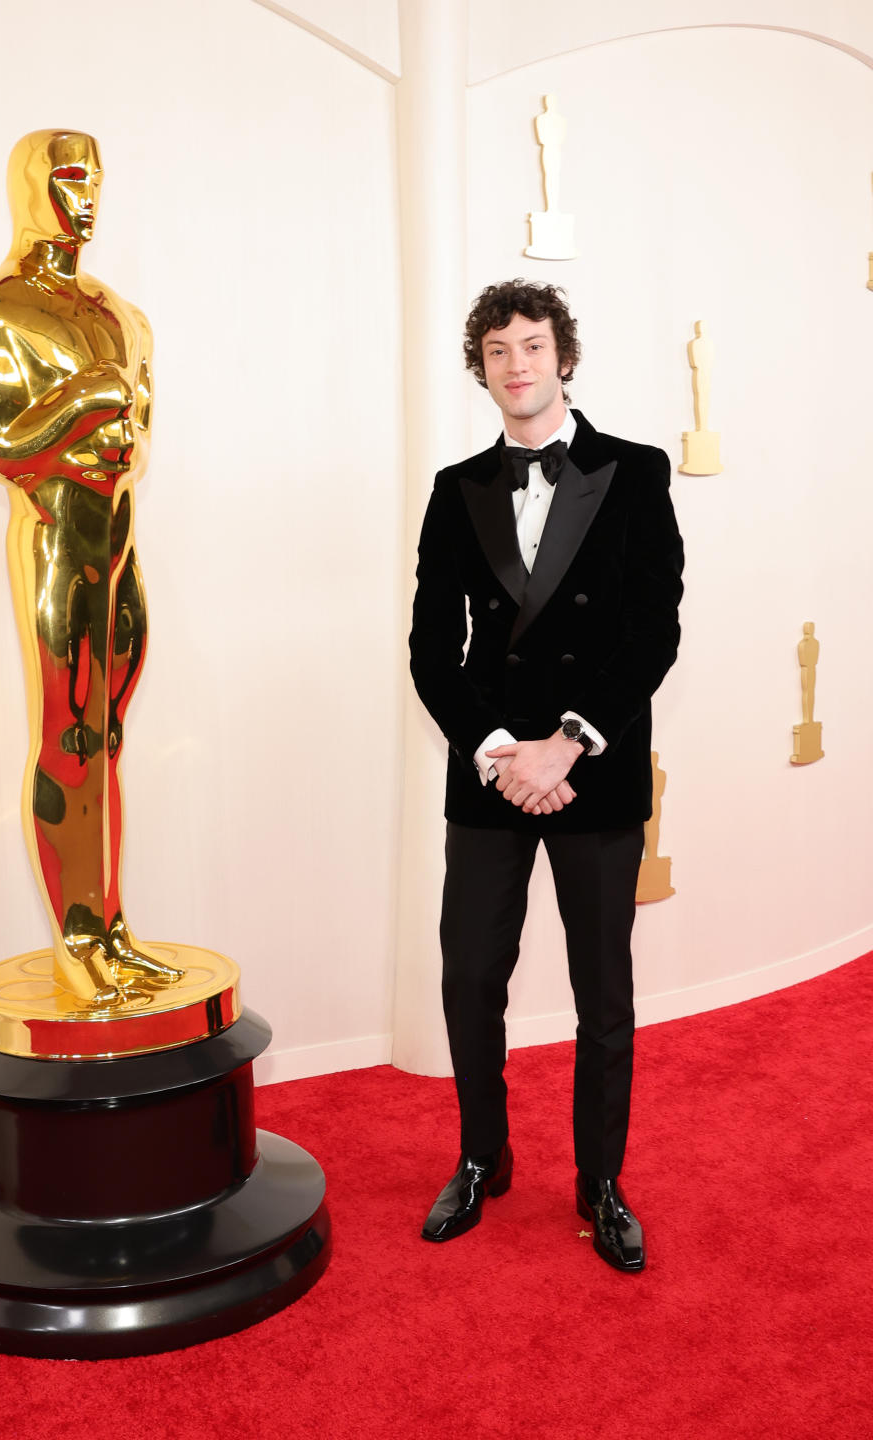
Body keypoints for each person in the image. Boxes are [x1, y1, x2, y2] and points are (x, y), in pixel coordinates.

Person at [409, 279, 684, 1271]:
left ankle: (601, 1180)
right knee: (470, 976)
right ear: (480, 372)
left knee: (602, 989)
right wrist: (495, 753)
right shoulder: (456, 490)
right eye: (497, 351)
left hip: (592, 768)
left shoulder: (639, 472)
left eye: (532, 345)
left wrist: (567, 744)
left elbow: (655, 630)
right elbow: (433, 652)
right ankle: (483, 1157)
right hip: (491, 772)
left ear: (564, 356)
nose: (517, 364)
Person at [0, 130, 183, 1007]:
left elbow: (141, 435)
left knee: (109, 736)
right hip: (58, 540)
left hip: (119, 541)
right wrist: (89, 396)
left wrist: (118, 417)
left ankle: (111, 928)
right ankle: (78, 939)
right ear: (32, 185)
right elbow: (1, 446)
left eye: (97, 178)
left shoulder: (122, 313)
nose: (88, 196)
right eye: (70, 176)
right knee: (71, 742)